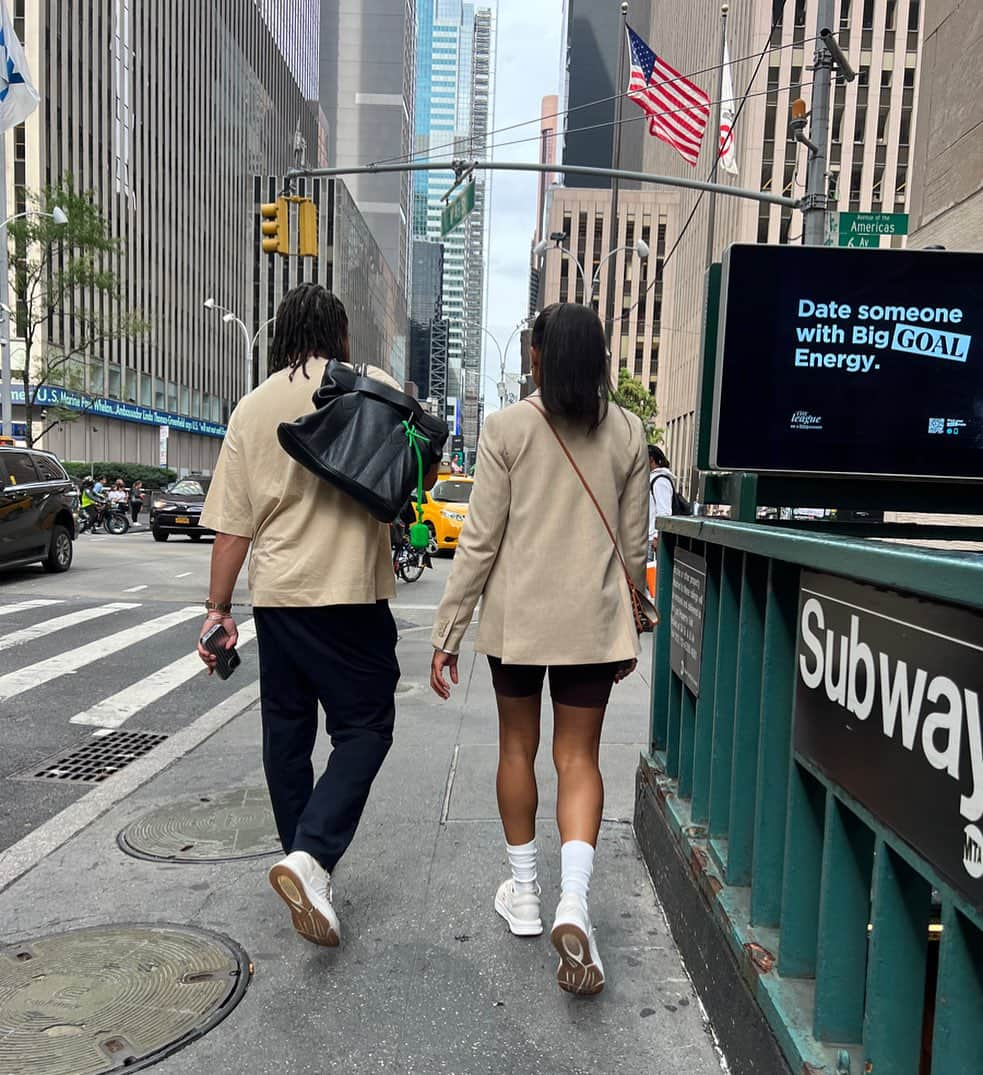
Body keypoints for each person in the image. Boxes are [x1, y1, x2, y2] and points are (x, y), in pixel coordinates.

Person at [429, 302, 653, 997]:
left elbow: (479, 542)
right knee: (578, 757)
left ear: (535, 357)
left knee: (516, 748)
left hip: (518, 622)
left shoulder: (505, 429)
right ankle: (574, 903)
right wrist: (630, 615)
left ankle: (525, 894)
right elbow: (635, 541)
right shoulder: (627, 431)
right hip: (590, 620)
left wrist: (447, 631)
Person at [196, 282, 423, 949]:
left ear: (281, 335)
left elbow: (232, 529)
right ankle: (313, 858)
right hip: (350, 595)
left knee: (287, 739)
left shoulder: (252, 407)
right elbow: (417, 461)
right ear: (339, 333)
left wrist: (217, 609)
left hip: (279, 602)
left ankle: (305, 860)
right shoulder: (368, 383)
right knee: (366, 727)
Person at [648, 445, 678, 554]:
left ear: (651, 459)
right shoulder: (654, 479)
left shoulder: (660, 480)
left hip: (652, 540)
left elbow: (664, 512)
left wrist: (657, 537)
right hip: (649, 537)